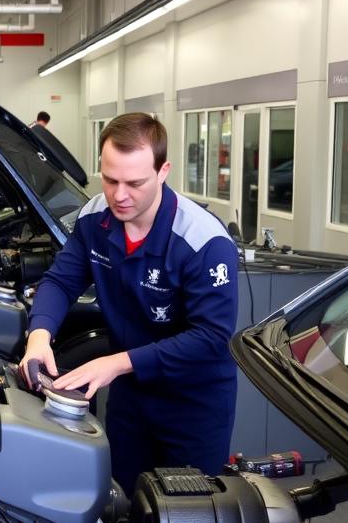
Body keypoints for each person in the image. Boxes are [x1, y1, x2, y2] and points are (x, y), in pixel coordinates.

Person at [19, 112, 238, 498]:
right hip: (130, 395)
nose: (119, 195)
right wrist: (39, 337)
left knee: (184, 521)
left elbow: (211, 336)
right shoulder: (94, 218)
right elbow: (60, 280)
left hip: (193, 402)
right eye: (109, 179)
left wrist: (116, 363)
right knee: (121, 504)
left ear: (163, 170)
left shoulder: (203, 240)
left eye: (135, 183)